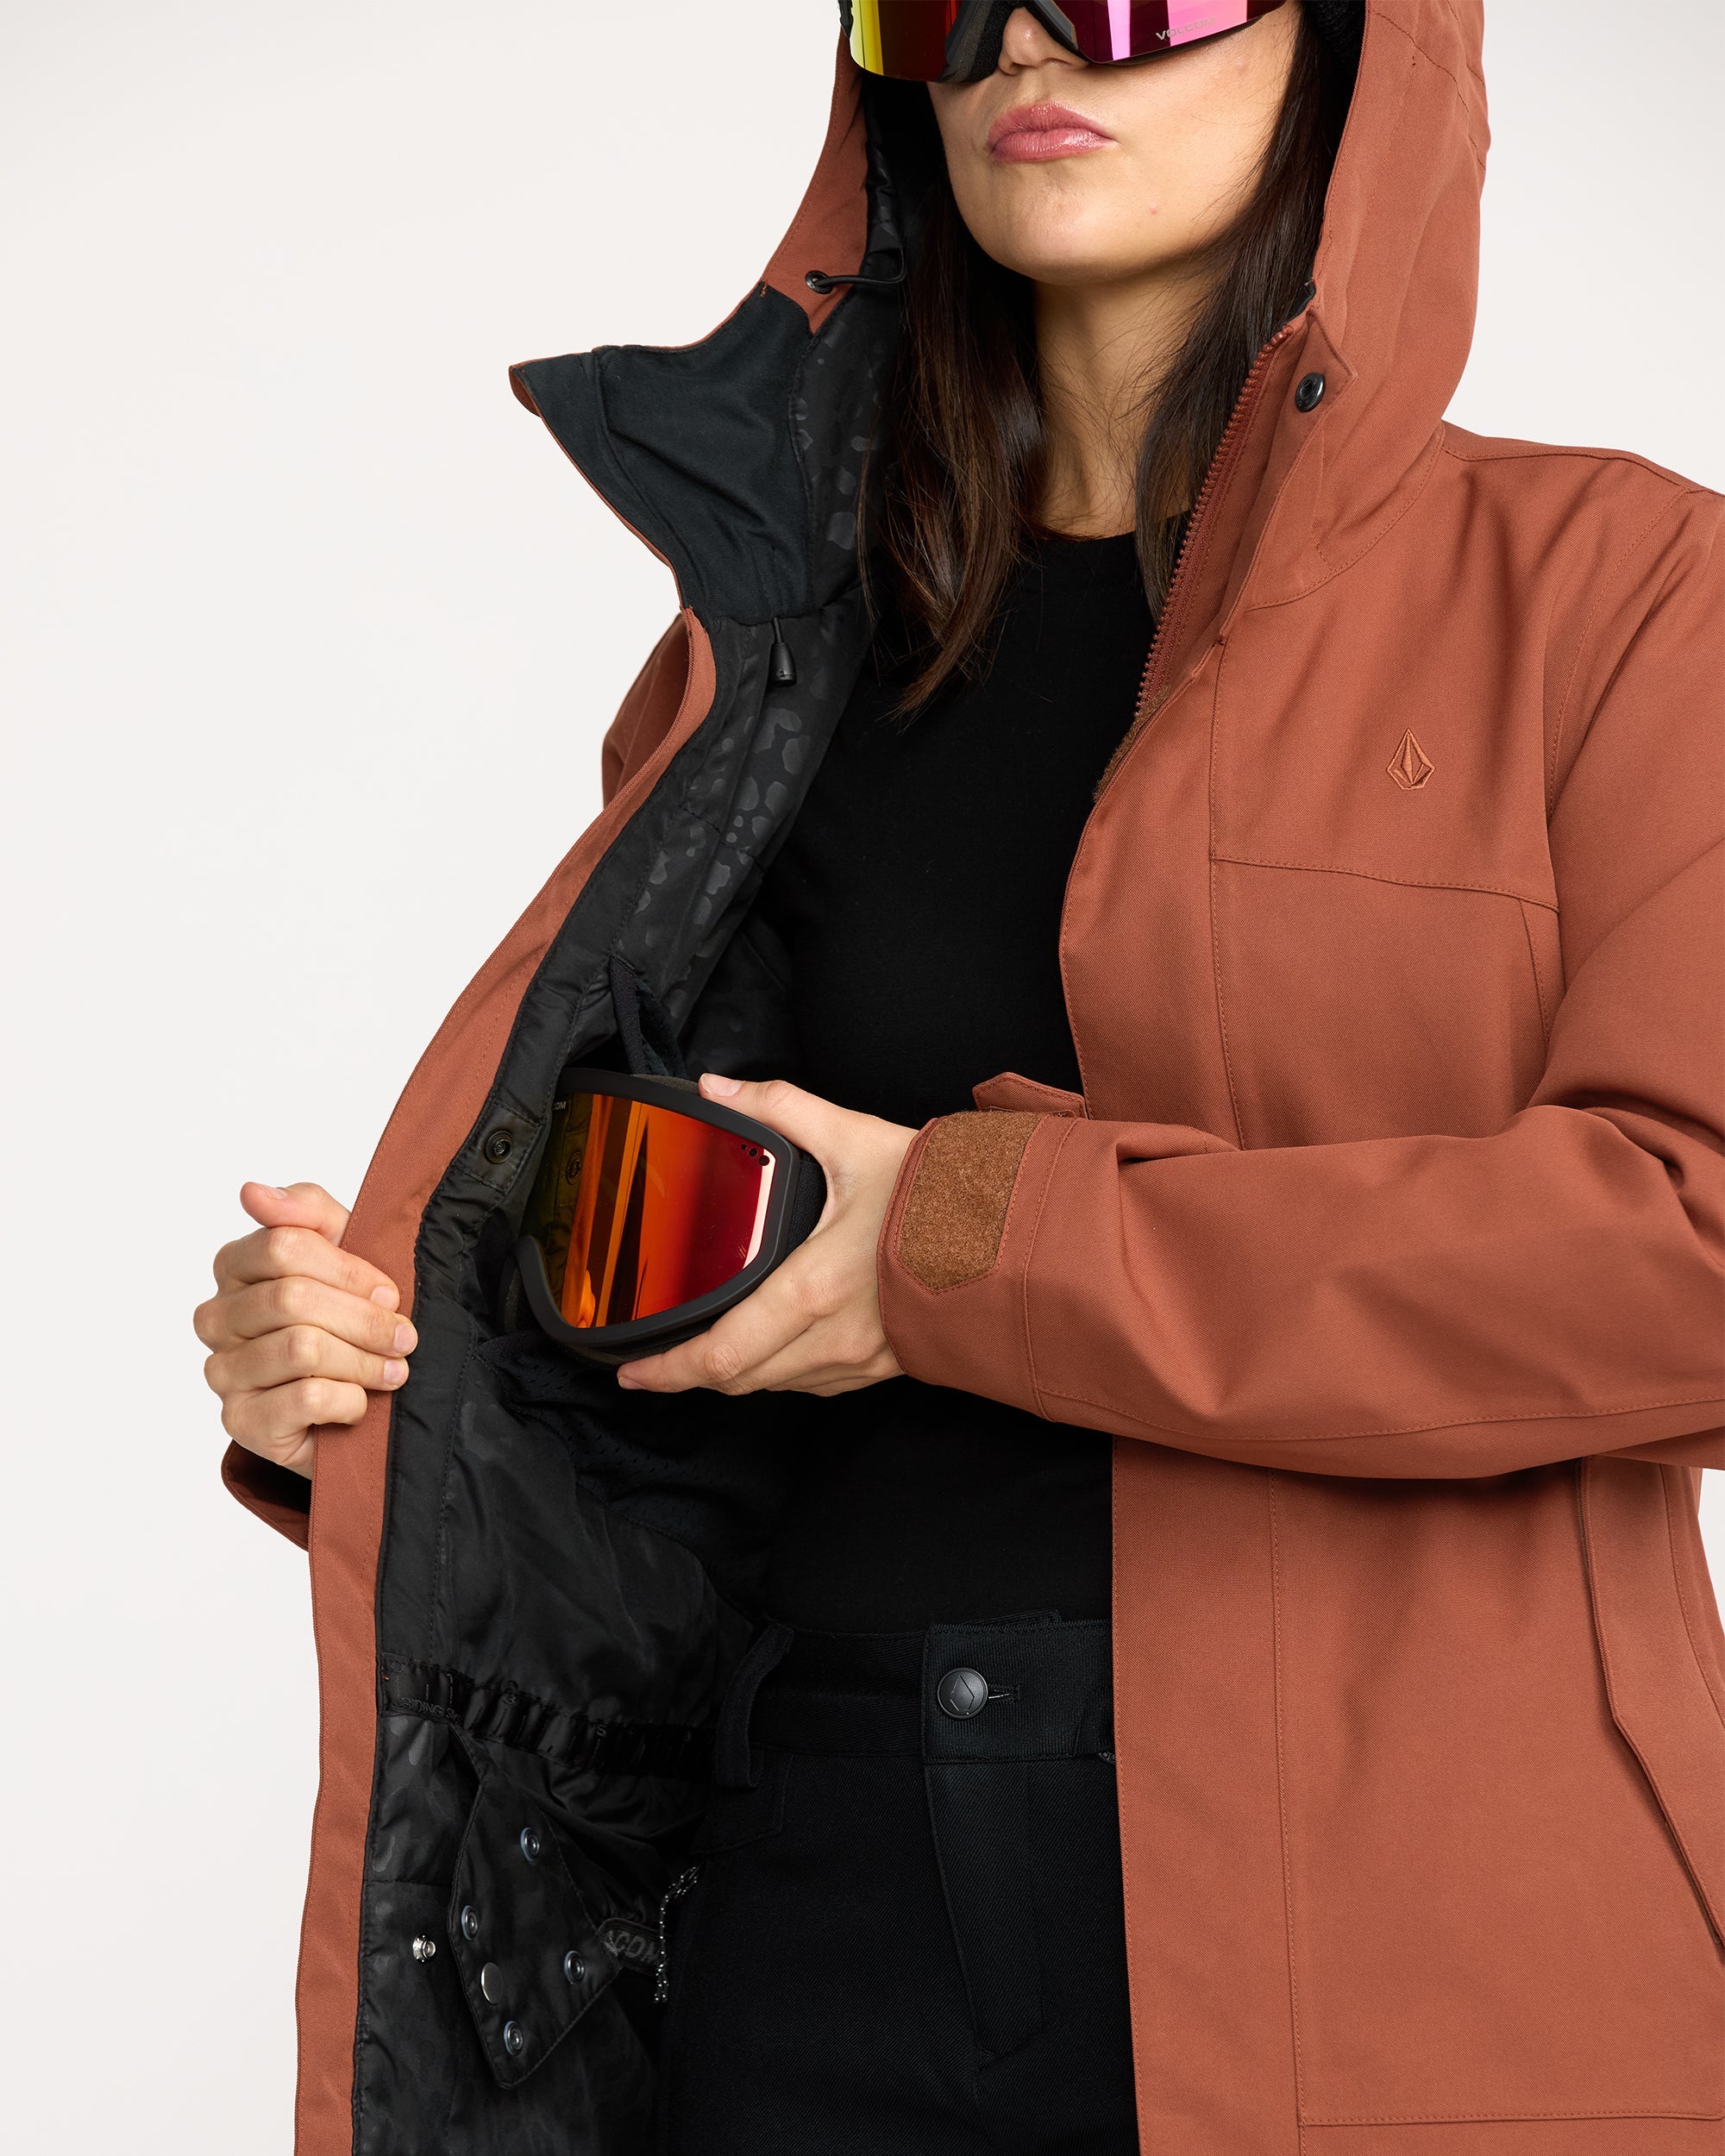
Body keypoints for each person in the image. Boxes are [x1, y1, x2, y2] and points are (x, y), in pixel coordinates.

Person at [194, 4, 1725, 2153]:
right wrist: (400, 1381)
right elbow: (697, 1310)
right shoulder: (778, 651)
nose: (1021, 40)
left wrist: (960, 1243)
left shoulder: (1623, 594)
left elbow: (1691, 1256)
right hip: (808, 1885)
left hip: (1415, 1919)